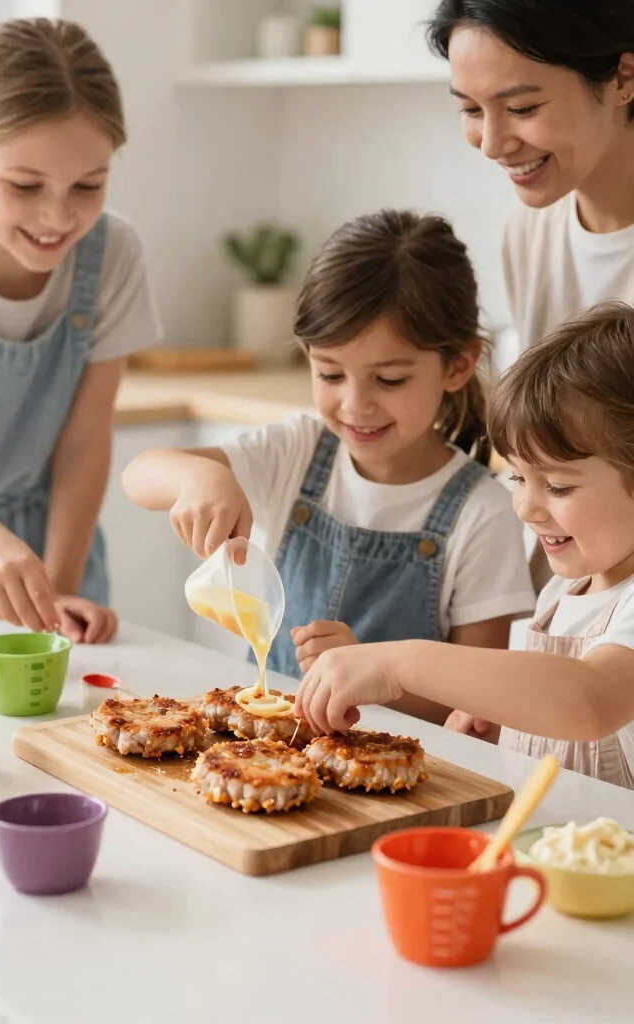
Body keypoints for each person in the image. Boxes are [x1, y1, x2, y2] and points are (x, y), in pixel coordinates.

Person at [122, 209, 533, 724]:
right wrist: (198, 476)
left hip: (397, 778)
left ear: (458, 365)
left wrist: (381, 675)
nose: (356, 405)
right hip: (264, 755)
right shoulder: (298, 448)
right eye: (331, 373)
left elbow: (481, 705)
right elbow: (138, 473)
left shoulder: (483, 513)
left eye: (389, 380)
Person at [296, 303, 634, 788]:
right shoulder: (568, 588)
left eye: (558, 487)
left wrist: (399, 662)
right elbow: (558, 709)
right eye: (519, 478)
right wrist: (510, 722)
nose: (527, 507)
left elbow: (591, 699)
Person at [0, 18, 161, 642]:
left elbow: (84, 442)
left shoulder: (113, 255)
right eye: (25, 185)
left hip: (55, 559)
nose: (58, 217)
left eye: (88, 185)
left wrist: (56, 594)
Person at [428, 1, 634, 589]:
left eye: (522, 107)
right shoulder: (531, 232)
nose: (492, 143)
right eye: (470, 109)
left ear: (622, 78)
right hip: (578, 601)